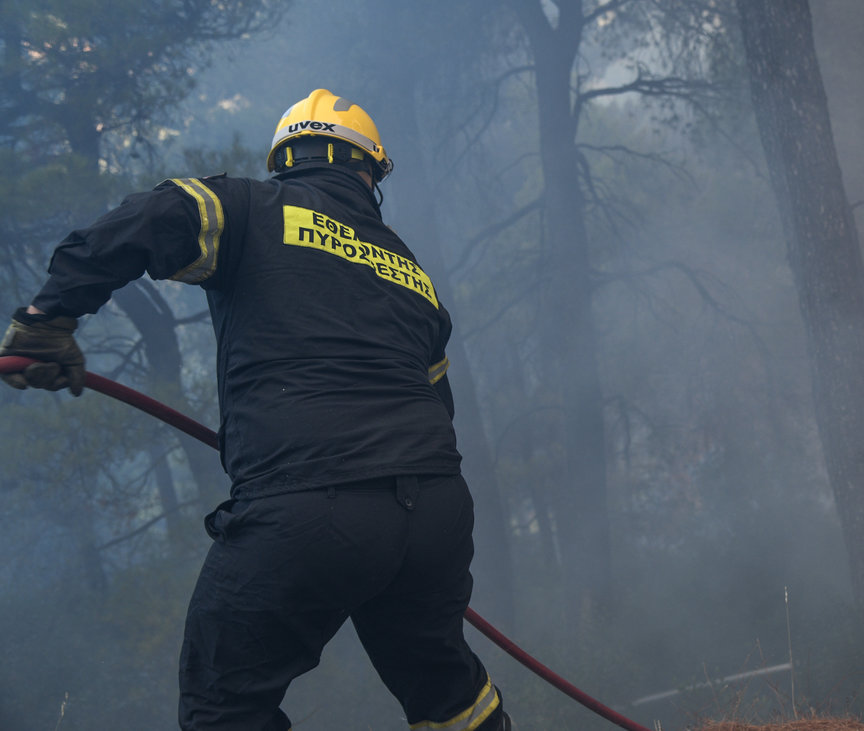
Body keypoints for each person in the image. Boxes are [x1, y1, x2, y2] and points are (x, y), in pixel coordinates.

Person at [0, 89, 511, 731]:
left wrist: (50, 317)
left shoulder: (248, 207)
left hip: (310, 503)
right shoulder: (409, 272)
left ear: (287, 162)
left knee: (224, 702)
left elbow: (158, 214)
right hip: (434, 510)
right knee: (447, 691)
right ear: (368, 172)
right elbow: (439, 404)